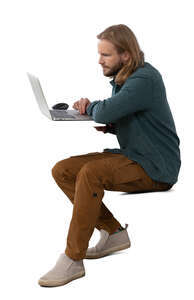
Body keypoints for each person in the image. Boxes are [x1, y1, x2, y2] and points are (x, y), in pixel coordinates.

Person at [38, 24, 181, 287]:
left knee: (92, 173)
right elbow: (131, 117)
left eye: (106, 55)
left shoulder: (144, 79)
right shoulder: (126, 78)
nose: (100, 61)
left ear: (125, 55)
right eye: (99, 54)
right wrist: (114, 126)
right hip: (134, 156)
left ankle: (72, 259)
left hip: (157, 167)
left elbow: (104, 111)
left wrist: (92, 107)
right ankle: (113, 232)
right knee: (63, 169)